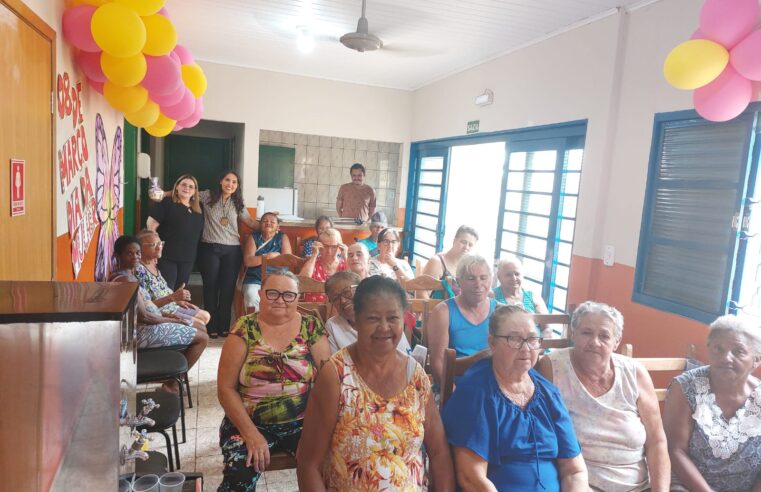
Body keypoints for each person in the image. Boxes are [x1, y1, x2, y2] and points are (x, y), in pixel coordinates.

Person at [296, 276, 454, 491]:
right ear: (357, 320)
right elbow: (308, 464)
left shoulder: (415, 375)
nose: (384, 327)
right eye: (372, 318)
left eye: (392, 318)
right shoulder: (336, 376)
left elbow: (439, 452)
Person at [442, 305, 588, 491]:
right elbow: (471, 478)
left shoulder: (548, 393)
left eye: (532, 339)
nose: (526, 348)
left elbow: (574, 471)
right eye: (515, 339)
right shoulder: (476, 392)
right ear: (492, 343)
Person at [536, 301, 670, 492]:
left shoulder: (635, 373)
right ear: (573, 333)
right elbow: (542, 436)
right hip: (580, 483)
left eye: (604, 336)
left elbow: (657, 441)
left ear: (616, 342)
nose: (594, 342)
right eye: (586, 333)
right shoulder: (553, 367)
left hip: (640, 486)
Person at [216, 271, 329, 490]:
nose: (280, 300)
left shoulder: (311, 327)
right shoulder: (244, 328)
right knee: (239, 474)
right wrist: (251, 435)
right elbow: (225, 389)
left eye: (288, 295)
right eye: (272, 293)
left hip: (305, 423)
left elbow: (327, 380)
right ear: (260, 294)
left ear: (297, 298)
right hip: (251, 423)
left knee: (331, 468)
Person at [663, 315, 761, 492]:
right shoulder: (686, 386)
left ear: (756, 360)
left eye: (738, 351)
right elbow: (675, 450)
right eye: (718, 349)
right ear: (709, 349)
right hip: (688, 485)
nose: (726, 358)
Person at [110, 235, 208, 379]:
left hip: (148, 325)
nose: (135, 257)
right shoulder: (125, 281)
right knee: (203, 338)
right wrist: (174, 321)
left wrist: (166, 316)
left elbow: (147, 308)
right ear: (118, 256)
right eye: (129, 253)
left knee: (200, 328)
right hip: (138, 334)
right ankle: (172, 385)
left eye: (137, 253)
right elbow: (145, 317)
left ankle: (175, 374)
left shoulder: (130, 276)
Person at [196, 171, 260, 338]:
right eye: (227, 180)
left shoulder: (238, 203)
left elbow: (251, 222)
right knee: (210, 287)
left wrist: (270, 225)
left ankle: (224, 326)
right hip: (209, 248)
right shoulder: (208, 196)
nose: (230, 184)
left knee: (227, 289)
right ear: (220, 181)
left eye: (234, 182)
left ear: (237, 186)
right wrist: (162, 193)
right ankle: (211, 326)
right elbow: (187, 192)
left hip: (232, 251)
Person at [428, 254, 498, 388]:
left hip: (492, 387)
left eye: (483, 278)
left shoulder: (499, 311)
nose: (478, 285)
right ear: (458, 281)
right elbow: (437, 364)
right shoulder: (443, 312)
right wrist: (453, 395)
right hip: (454, 386)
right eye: (471, 279)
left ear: (491, 280)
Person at [135, 229, 211, 328]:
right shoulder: (139, 271)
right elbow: (146, 308)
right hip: (161, 312)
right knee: (200, 325)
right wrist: (173, 298)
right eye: (153, 245)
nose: (159, 247)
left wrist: (177, 301)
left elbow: (161, 290)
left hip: (171, 305)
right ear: (140, 248)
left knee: (206, 316)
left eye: (160, 243)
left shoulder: (153, 262)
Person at [324, 271, 410, 354]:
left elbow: (404, 358)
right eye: (335, 298)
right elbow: (335, 364)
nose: (342, 301)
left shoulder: (386, 318)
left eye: (347, 292)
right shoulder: (333, 325)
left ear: (361, 291)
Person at [147, 174, 204, 290]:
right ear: (177, 186)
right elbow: (151, 227)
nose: (186, 188)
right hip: (167, 257)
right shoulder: (166, 203)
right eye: (183, 184)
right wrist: (153, 251)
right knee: (167, 291)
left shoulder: (199, 209)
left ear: (195, 191)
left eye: (191, 186)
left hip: (188, 259)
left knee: (180, 291)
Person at [241, 212, 292, 315]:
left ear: (278, 226)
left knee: (282, 299)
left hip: (277, 280)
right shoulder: (254, 237)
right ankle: (255, 326)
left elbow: (288, 259)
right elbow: (248, 261)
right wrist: (268, 256)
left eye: (272, 222)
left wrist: (260, 259)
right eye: (265, 221)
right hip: (255, 279)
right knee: (251, 295)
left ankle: (274, 326)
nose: (268, 223)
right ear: (260, 225)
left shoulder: (282, 237)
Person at [491, 255, 553, 338]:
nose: (514, 278)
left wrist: (538, 348)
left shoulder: (533, 296)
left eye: (517, 274)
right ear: (499, 277)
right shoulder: (492, 295)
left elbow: (547, 328)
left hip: (535, 347)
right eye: (508, 275)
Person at [421, 225, 478, 299]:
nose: (466, 247)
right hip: (437, 309)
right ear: (454, 241)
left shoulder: (468, 267)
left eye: (470, 245)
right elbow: (422, 294)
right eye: (463, 242)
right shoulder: (437, 262)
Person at [299, 228, 347, 302]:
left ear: (340, 248)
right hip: (313, 310)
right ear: (319, 247)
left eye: (334, 247)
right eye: (325, 246)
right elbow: (302, 282)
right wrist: (314, 254)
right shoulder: (313, 263)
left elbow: (355, 284)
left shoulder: (345, 264)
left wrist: (346, 256)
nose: (329, 251)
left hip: (338, 311)